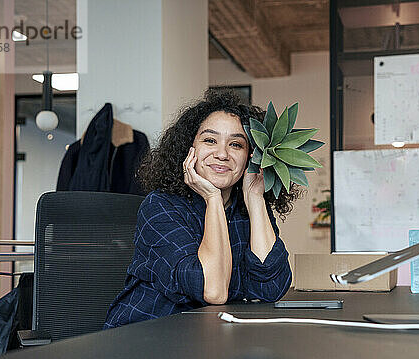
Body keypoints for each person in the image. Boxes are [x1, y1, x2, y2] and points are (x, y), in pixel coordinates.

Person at [104, 90, 299, 327]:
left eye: (236, 144)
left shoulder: (246, 208)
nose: (222, 154)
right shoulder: (161, 206)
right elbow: (213, 291)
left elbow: (271, 289)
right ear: (189, 149)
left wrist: (256, 197)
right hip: (149, 333)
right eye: (210, 140)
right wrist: (212, 198)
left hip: (212, 335)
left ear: (250, 156)